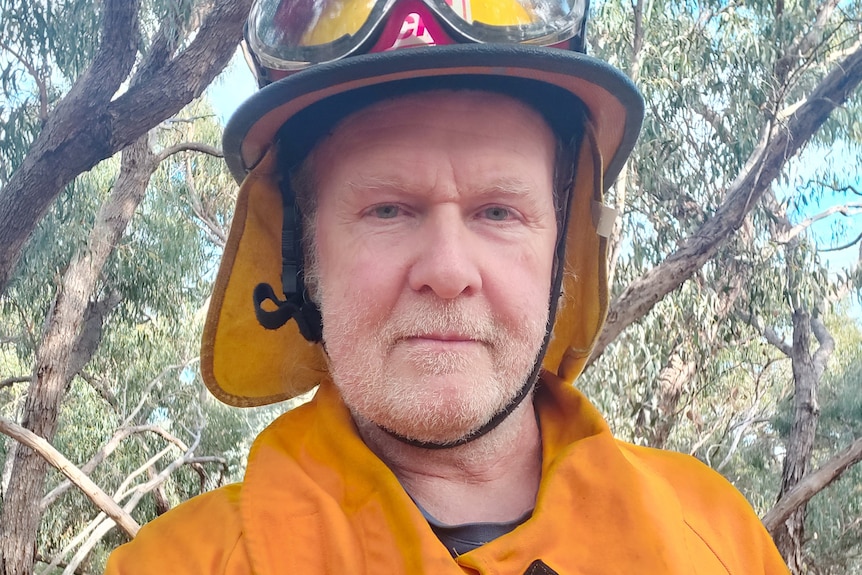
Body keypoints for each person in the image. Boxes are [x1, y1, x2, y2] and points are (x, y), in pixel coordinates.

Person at [106, 0, 790, 573]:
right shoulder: (181, 562)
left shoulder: (717, 538)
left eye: (499, 211)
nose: (448, 270)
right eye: (387, 209)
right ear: (302, 255)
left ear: (563, 249)